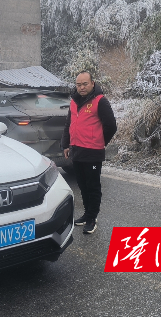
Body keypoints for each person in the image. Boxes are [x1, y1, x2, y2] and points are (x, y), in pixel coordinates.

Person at [62, 71, 117, 234]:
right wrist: (66, 144)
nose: (81, 87)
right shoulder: (74, 101)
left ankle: (92, 218)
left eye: (85, 84)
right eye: (78, 84)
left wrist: (99, 141)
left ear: (92, 83)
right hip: (76, 150)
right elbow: (69, 124)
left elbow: (111, 126)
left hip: (93, 152)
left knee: (92, 186)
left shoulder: (100, 101)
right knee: (82, 185)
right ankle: (87, 214)